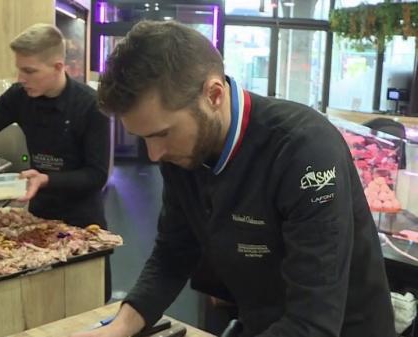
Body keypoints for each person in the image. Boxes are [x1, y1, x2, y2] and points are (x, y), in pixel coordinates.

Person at [73, 21, 395, 337]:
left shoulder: (303, 149)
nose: (154, 155)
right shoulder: (182, 153)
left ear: (213, 95)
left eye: (162, 134)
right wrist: (120, 326)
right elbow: (174, 252)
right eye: (143, 138)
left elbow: (313, 322)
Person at [0, 24, 112, 301]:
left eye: (29, 71)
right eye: (19, 69)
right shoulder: (20, 96)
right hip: (38, 218)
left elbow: (97, 175)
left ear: (58, 66)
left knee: (87, 302)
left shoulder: (90, 105)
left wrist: (46, 179)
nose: (21, 78)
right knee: (43, 304)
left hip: (83, 222)